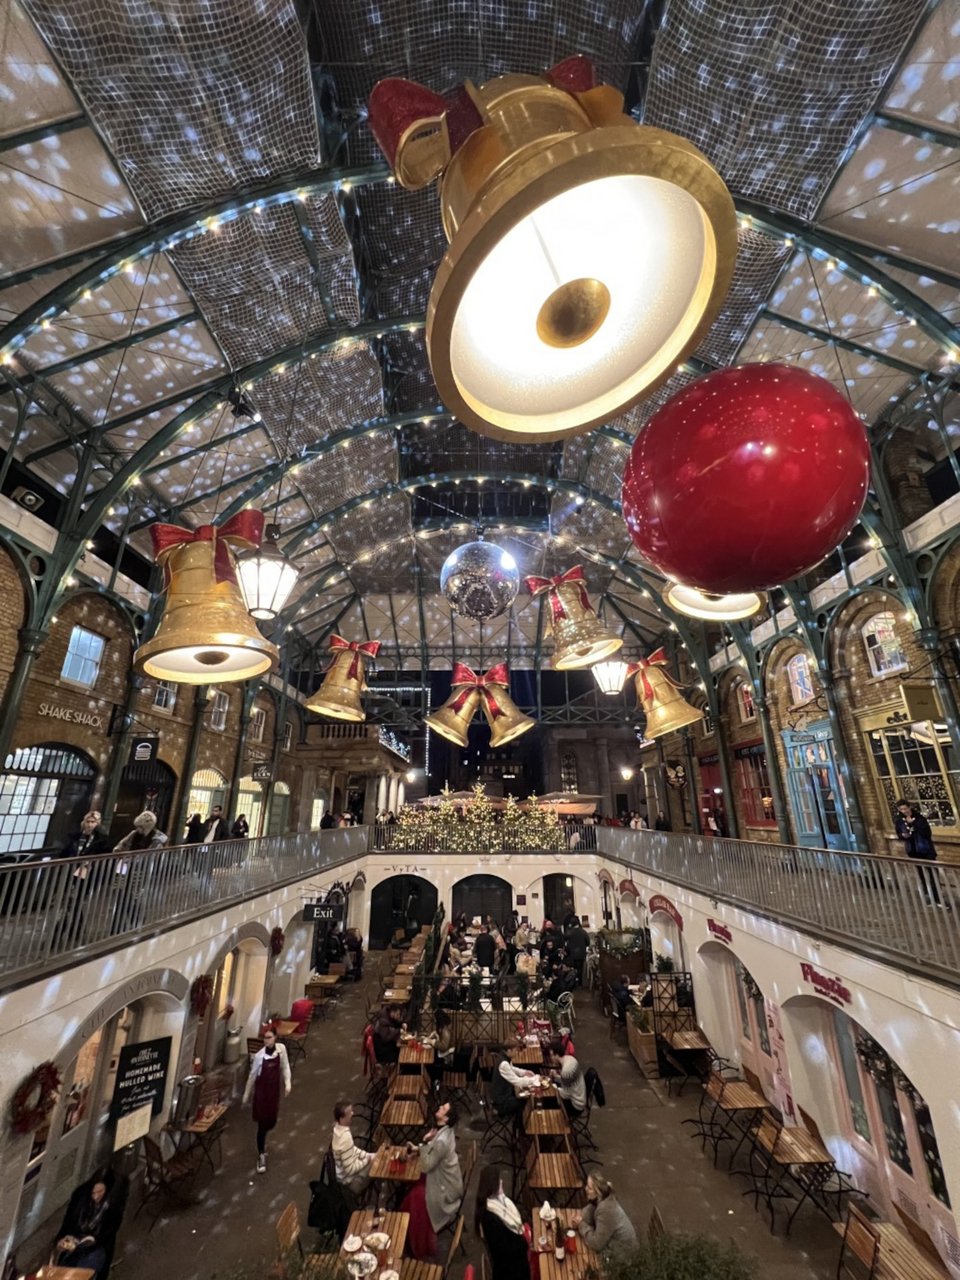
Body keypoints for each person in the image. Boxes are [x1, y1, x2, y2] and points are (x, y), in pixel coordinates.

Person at [402, 1101, 463, 1258]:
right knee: (413, 1188)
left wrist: (423, 1141)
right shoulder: (444, 1131)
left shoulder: (442, 1140)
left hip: (444, 1189)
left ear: (446, 1119)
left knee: (416, 1197)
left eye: (443, 1109)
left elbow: (427, 1165)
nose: (439, 1107)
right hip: (444, 1179)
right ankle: (405, 1230)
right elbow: (432, 1153)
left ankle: (416, 1244)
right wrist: (420, 1147)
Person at [54, 1167, 127, 1280]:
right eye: (93, 1192)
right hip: (75, 1244)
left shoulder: (113, 1205)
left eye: (100, 1192)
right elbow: (68, 1222)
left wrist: (94, 1240)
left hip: (96, 1248)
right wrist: (60, 1239)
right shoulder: (80, 1196)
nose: (95, 1196)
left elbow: (111, 1230)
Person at [53, 811, 110, 948]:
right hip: (71, 873)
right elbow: (64, 852)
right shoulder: (75, 838)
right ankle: (76, 929)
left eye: (93, 822)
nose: (90, 825)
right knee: (73, 902)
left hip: (89, 875)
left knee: (74, 901)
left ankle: (59, 933)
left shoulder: (101, 840)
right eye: (88, 822)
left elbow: (105, 855)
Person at [242, 1025, 291, 1173]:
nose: (266, 1041)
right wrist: (246, 1093)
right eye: (265, 1038)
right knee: (262, 1126)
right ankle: (261, 1154)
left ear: (275, 1037)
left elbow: (285, 1066)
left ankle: (262, 1146)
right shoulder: (259, 1057)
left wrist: (288, 1082)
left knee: (272, 1121)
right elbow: (252, 1076)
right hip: (262, 1095)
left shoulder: (281, 1050)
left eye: (269, 1037)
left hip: (273, 1093)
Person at [112, 811, 167, 932]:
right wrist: (118, 851)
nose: (137, 829)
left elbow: (153, 857)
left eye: (140, 827)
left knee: (133, 897)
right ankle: (118, 926)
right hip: (125, 867)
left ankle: (135, 922)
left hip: (140, 871)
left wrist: (135, 859)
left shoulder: (156, 841)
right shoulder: (133, 834)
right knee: (120, 894)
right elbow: (121, 845)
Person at [474, 1164, 529, 1280]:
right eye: (498, 1180)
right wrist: (526, 1241)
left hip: (509, 1263)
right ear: (491, 1186)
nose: (501, 1181)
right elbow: (506, 1251)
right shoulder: (491, 1219)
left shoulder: (497, 1203)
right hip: (510, 1271)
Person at [571, 1175, 637, 1254]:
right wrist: (580, 1218)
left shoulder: (606, 1209)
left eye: (589, 1188)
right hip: (610, 1244)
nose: (586, 1189)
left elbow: (596, 1244)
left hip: (622, 1253)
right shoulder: (602, 1198)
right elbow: (591, 1210)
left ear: (598, 1193)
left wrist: (581, 1224)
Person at [896, 799, 943, 906]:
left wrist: (914, 825)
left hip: (925, 849)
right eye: (902, 809)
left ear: (909, 807)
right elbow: (899, 833)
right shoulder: (899, 820)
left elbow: (927, 832)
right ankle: (927, 896)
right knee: (921, 874)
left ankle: (937, 898)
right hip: (913, 850)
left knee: (933, 873)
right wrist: (903, 836)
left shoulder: (919, 818)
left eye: (906, 808)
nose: (904, 811)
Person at [331, 1099, 374, 1194]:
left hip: (341, 1176)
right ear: (342, 1118)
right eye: (349, 1113)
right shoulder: (345, 1137)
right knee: (376, 1164)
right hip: (348, 1182)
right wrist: (367, 1160)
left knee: (375, 1157)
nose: (352, 1114)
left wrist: (366, 1155)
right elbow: (350, 1169)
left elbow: (351, 1149)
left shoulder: (337, 1130)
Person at [548, 1047, 586, 1117]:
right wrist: (556, 1077)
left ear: (557, 1055)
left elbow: (565, 1095)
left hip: (575, 1106)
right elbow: (568, 1081)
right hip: (580, 1099)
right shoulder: (571, 1059)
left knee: (548, 1102)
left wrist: (554, 1088)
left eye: (551, 1055)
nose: (551, 1058)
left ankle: (556, 1124)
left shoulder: (566, 1070)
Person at [563, 916, 589, 987]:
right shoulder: (583, 932)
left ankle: (573, 982)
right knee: (580, 968)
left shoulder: (570, 932)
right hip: (581, 954)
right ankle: (580, 983)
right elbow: (588, 942)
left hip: (572, 954)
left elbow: (564, 937)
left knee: (573, 968)